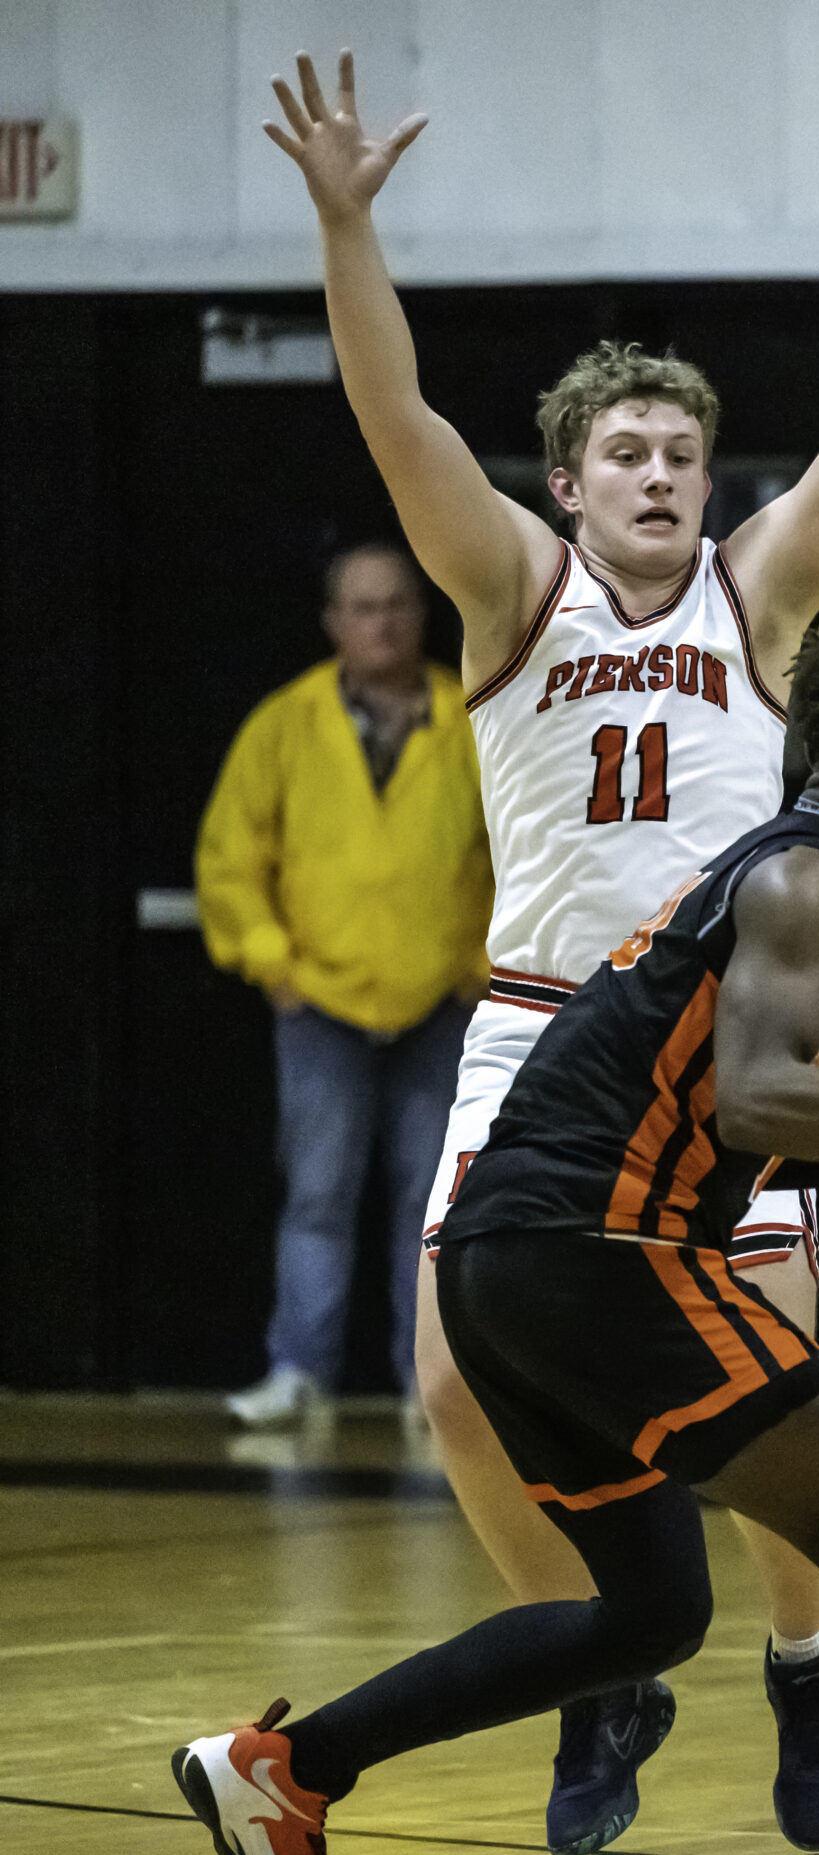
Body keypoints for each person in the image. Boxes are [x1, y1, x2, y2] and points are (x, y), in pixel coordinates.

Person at [257, 41, 819, 1855]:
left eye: (685, 452)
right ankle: (600, 1657)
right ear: (567, 476)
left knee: (773, 1371)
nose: (661, 474)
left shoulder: (759, 594)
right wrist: (345, 226)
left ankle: (794, 1661)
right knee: (455, 1381)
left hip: (721, 1039)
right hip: (534, 1030)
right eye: (627, 450)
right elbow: (395, 417)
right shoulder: (504, 586)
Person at [173, 601, 819, 1855]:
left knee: (651, 1613)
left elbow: (752, 1114)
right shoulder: (808, 883)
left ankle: (288, 1768)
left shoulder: (786, 874)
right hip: (593, 1245)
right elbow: (760, 1098)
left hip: (508, 1261)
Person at [197, 543, 490, 1428]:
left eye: (398, 604)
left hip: (442, 1000)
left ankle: (426, 1386)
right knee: (318, 1193)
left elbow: (522, 849)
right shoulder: (283, 725)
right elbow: (229, 860)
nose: (383, 622)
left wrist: (481, 968)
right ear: (333, 624)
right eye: (363, 608)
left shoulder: (471, 716)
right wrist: (270, 963)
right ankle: (299, 1373)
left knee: (429, 1200)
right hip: (318, 1002)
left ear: (421, 614)